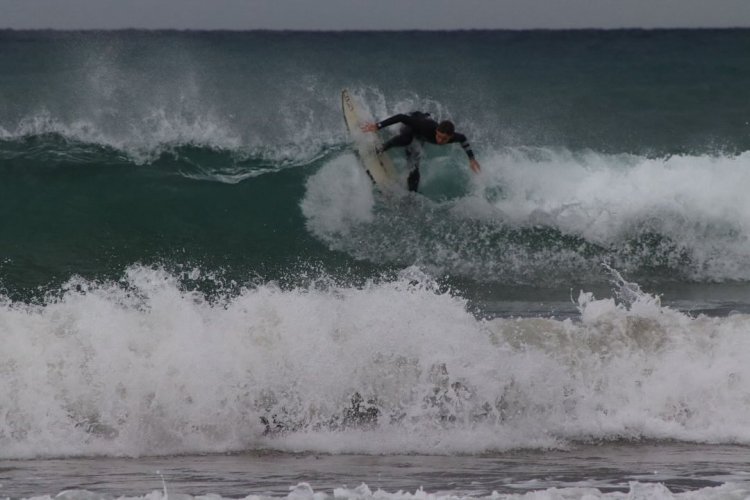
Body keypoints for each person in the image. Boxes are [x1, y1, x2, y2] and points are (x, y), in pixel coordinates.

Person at [362, 111, 480, 192]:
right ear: (436, 131)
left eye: (444, 139)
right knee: (406, 139)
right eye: (438, 136)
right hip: (413, 122)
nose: (439, 140)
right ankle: (382, 148)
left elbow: (463, 139)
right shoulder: (426, 127)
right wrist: (378, 125)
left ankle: (412, 195)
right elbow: (401, 117)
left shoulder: (454, 137)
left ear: (450, 137)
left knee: (414, 166)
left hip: (420, 136)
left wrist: (472, 159)